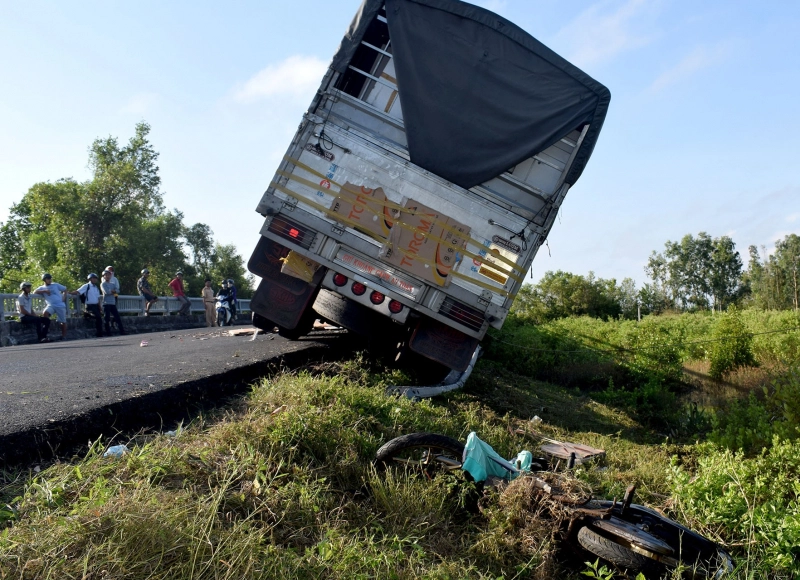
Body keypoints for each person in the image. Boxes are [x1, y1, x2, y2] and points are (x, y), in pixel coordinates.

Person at [33, 273, 69, 341]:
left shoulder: (56, 285)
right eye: (48, 279)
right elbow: (34, 292)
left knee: (63, 321)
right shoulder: (42, 288)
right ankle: (47, 327)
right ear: (44, 280)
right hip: (51, 305)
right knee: (45, 313)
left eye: (50, 279)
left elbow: (65, 289)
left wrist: (64, 298)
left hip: (60, 305)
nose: (49, 280)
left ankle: (64, 336)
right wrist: (44, 291)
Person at [73, 273, 103, 337]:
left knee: (99, 318)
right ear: (90, 279)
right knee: (97, 317)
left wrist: (100, 307)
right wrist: (70, 292)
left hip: (95, 306)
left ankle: (100, 332)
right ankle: (86, 314)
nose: (95, 280)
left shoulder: (96, 288)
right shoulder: (87, 286)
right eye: (93, 278)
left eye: (95, 278)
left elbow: (98, 298)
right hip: (89, 305)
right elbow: (78, 291)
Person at [101, 269, 126, 335]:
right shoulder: (103, 284)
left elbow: (118, 291)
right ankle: (108, 332)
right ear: (103, 276)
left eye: (108, 275)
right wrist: (113, 291)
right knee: (107, 318)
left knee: (117, 317)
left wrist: (113, 291)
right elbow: (107, 292)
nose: (107, 276)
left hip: (113, 303)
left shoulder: (112, 284)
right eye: (105, 275)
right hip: (106, 303)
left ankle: (122, 331)